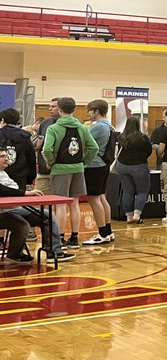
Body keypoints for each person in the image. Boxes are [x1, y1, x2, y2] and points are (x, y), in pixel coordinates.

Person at [42, 96, 98, 249]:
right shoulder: (82, 128)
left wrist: (51, 161)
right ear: (74, 110)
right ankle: (74, 238)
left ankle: (60, 238)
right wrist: (84, 162)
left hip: (60, 169)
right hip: (78, 168)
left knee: (60, 205)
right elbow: (94, 148)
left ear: (59, 110)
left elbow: (46, 149)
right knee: (74, 204)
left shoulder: (53, 128)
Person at [0, 148, 73, 263]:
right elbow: (2, 190)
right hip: (4, 212)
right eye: (2, 157)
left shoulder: (4, 173)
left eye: (5, 156)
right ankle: (14, 254)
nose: (6, 158)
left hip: (16, 209)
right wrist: (25, 193)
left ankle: (53, 252)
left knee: (47, 216)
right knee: (22, 224)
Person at [84, 99, 115, 244]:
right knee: (101, 198)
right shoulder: (109, 125)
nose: (88, 113)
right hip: (103, 165)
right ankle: (108, 231)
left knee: (93, 199)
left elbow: (85, 142)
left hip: (94, 165)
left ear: (96, 111)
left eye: (90, 110)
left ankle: (102, 233)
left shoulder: (98, 127)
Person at [112, 116, 153, 224]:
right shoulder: (143, 138)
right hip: (139, 166)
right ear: (138, 124)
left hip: (122, 166)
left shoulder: (120, 137)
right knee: (142, 191)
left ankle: (129, 216)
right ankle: (137, 214)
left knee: (127, 191)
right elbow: (149, 151)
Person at [32, 98, 60, 195]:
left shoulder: (69, 125)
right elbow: (39, 144)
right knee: (38, 199)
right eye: (49, 106)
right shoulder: (45, 123)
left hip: (60, 170)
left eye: (53, 106)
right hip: (43, 170)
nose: (50, 109)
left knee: (60, 202)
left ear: (61, 108)